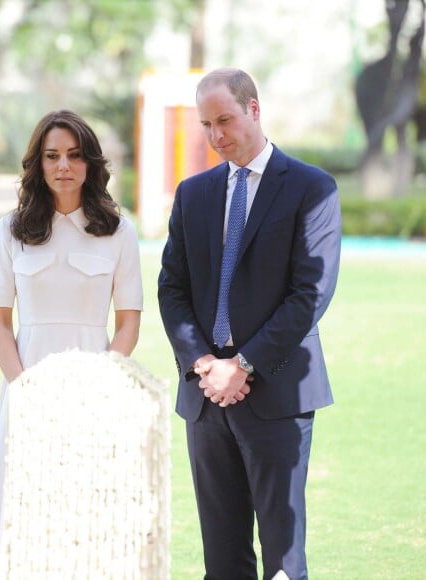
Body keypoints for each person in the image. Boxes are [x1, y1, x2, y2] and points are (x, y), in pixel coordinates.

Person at [158, 68, 341, 580]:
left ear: (254, 110)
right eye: (206, 125)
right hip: (206, 398)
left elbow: (311, 293)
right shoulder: (192, 195)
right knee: (222, 560)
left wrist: (242, 365)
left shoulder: (311, 187)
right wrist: (204, 364)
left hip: (278, 398)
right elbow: (172, 289)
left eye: (225, 120)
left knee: (284, 561)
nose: (216, 136)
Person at [0, 109, 143, 579]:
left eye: (73, 155)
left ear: (89, 164)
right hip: (25, 391)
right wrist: (25, 389)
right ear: (38, 164)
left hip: (95, 394)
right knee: (18, 503)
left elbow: (128, 322)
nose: (63, 166)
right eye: (52, 156)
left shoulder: (120, 233)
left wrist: (97, 382)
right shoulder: (11, 231)